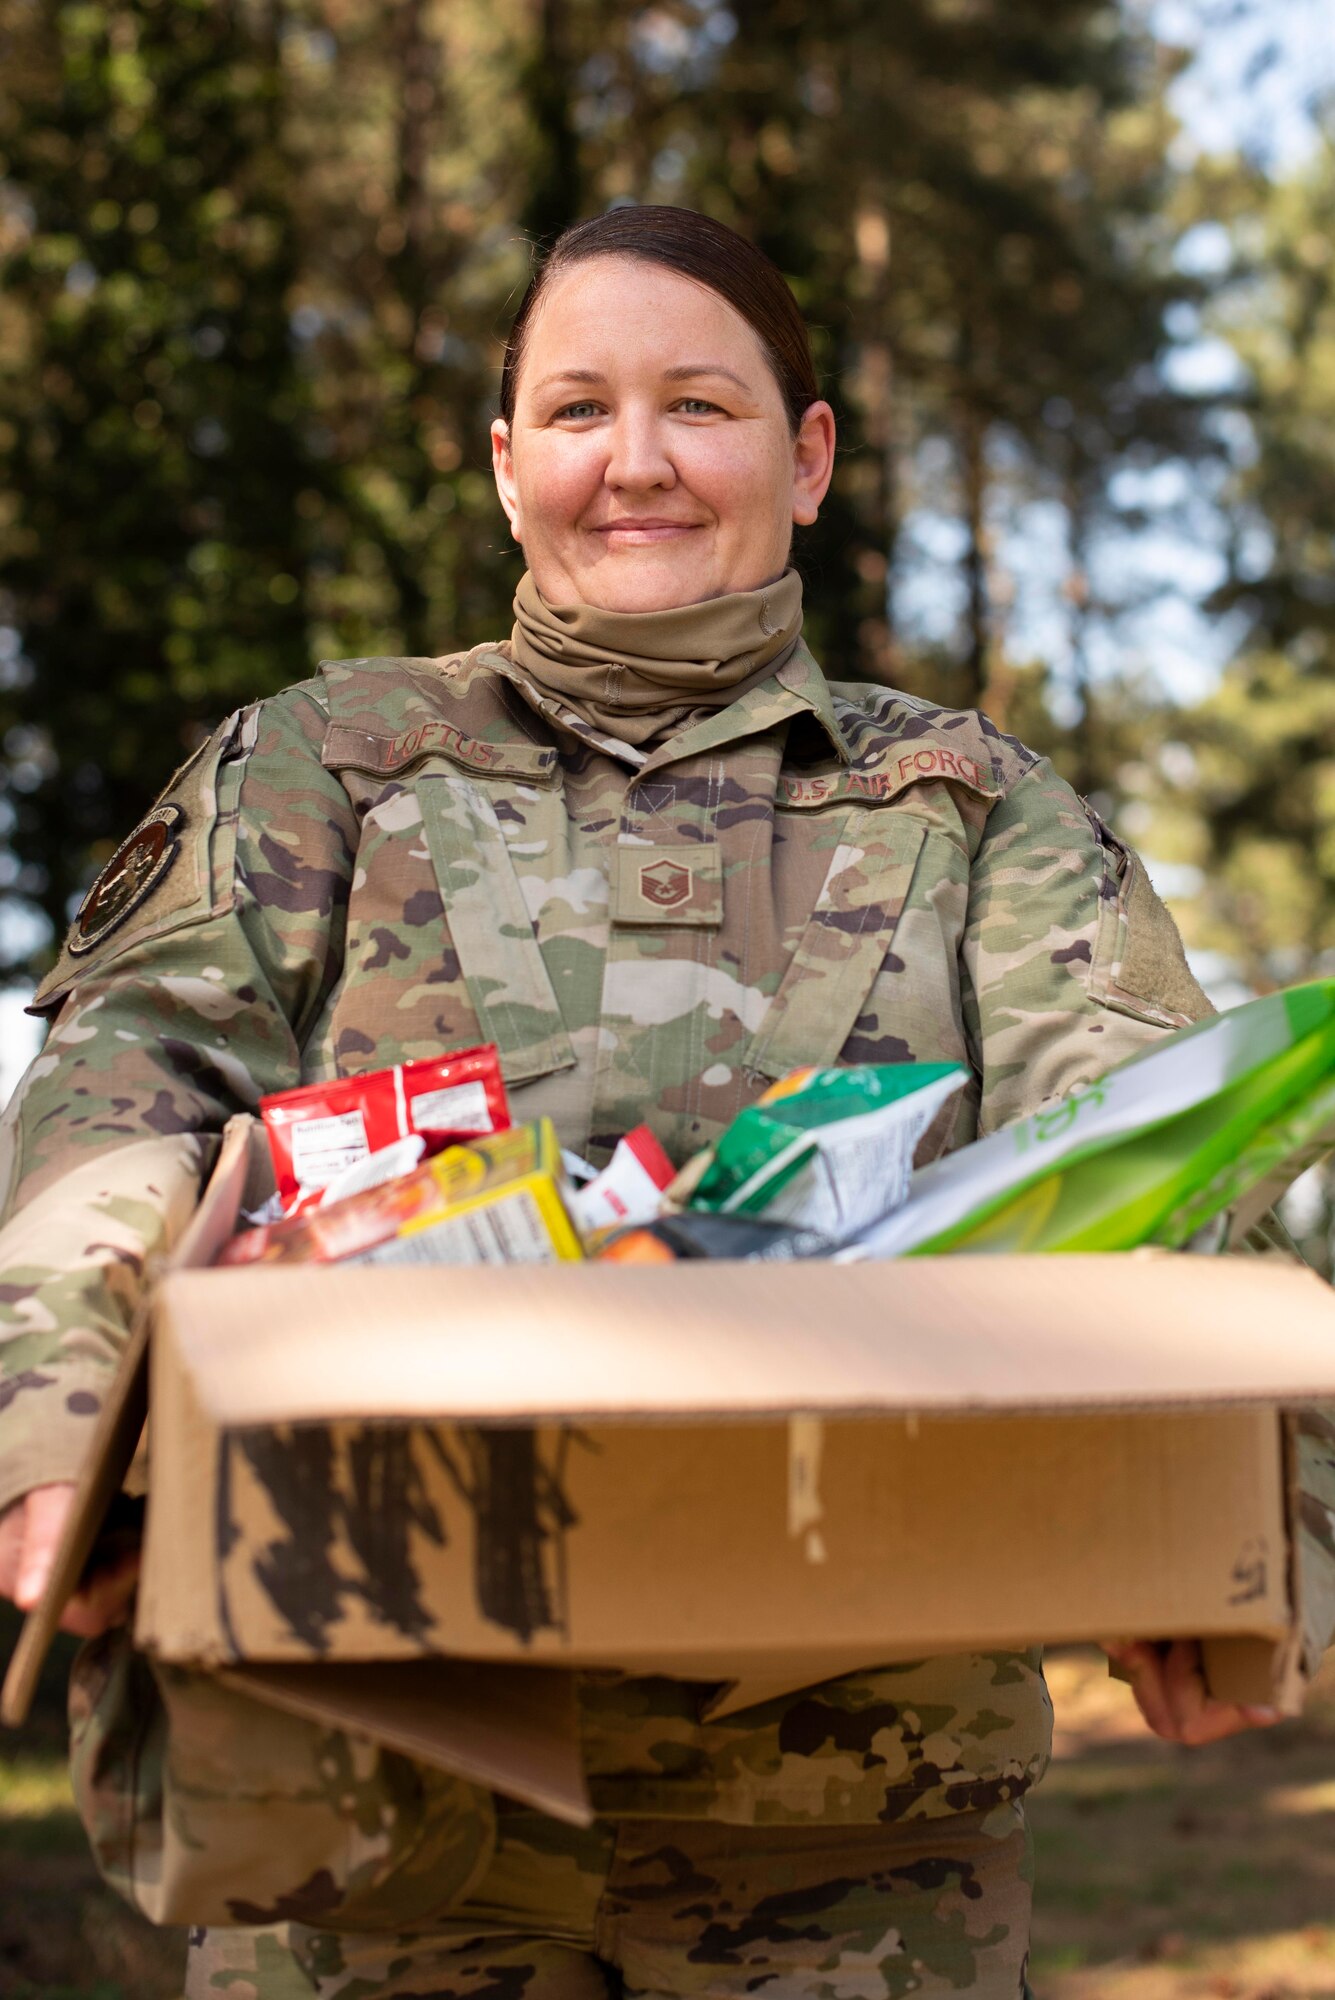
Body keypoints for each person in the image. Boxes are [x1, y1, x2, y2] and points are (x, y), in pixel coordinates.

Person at [0, 205, 1315, 2000]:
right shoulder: (317, 768)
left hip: (859, 1838)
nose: (634, 465)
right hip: (367, 1813)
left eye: (699, 406)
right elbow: (128, 1099)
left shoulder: (972, 808)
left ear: (809, 453)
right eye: (575, 411)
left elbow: (1147, 1168)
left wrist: (1239, 1534)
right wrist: (56, 1437)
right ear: (503, 463)